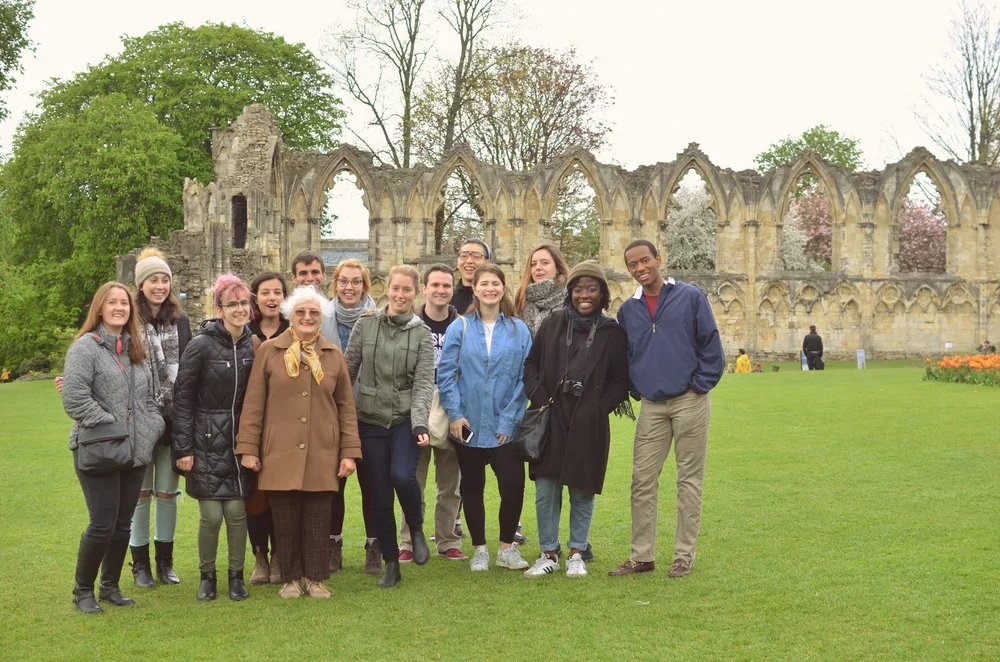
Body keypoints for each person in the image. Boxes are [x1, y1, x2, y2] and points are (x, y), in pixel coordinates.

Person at [57, 248, 191, 587]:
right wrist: (122, 426)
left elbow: (176, 378)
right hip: (115, 435)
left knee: (155, 501)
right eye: (152, 280)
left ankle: (148, 570)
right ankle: (129, 570)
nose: (160, 286)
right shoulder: (104, 338)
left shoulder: (163, 332)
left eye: (165, 280)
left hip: (160, 426)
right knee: (123, 509)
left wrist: (157, 424)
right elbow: (80, 391)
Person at [236, 286, 362, 600]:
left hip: (322, 450)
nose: (307, 317)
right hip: (280, 451)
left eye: (314, 313)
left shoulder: (333, 355)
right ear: (291, 315)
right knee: (285, 519)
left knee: (319, 518)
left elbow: (346, 407)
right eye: (301, 312)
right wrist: (248, 449)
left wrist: (349, 453)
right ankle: (290, 580)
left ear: (322, 318)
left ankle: (316, 579)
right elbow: (253, 403)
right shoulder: (269, 351)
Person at [609, 240, 725, 579]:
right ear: (629, 269)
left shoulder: (689, 297)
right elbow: (628, 355)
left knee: (688, 479)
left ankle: (683, 556)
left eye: (646, 260)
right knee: (642, 479)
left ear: (659, 260)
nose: (641, 268)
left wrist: (697, 385)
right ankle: (641, 556)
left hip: (689, 399)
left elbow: (711, 344)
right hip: (652, 405)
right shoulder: (628, 310)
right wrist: (637, 389)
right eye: (633, 264)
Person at [522, 261, 632, 579]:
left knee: (582, 488)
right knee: (546, 488)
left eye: (592, 289)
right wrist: (541, 397)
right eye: (578, 289)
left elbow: (619, 381)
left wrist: (598, 408)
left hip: (588, 421)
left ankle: (576, 553)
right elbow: (531, 366)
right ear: (570, 293)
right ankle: (548, 553)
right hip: (552, 414)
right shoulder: (554, 323)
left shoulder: (611, 332)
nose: (584, 295)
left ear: (602, 294)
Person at [62, 282, 165, 613]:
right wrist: (115, 427)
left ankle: (110, 586)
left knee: (123, 524)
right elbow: (75, 399)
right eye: (112, 302)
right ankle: (83, 591)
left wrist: (150, 429)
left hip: (134, 453)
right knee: (102, 523)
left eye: (124, 302)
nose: (120, 307)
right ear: (100, 308)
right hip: (97, 449)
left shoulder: (135, 350)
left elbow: (149, 400)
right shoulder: (85, 348)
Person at [344, 265, 436, 588]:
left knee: (402, 475)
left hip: (404, 420)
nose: (399, 295)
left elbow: (425, 382)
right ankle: (391, 562)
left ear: (416, 293)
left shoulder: (422, 334)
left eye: (406, 290)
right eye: (395, 289)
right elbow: (346, 371)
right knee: (379, 494)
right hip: (369, 420)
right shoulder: (366, 324)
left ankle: (417, 527)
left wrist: (420, 422)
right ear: (388, 290)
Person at [438, 263, 533, 573]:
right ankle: (479, 549)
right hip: (468, 423)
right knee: (472, 487)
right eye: (484, 284)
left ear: (503, 288)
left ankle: (507, 548)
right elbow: (447, 373)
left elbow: (525, 377)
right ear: (474, 289)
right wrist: (455, 414)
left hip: (506, 426)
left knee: (512, 484)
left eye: (496, 283)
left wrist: (509, 420)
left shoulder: (518, 330)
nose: (490, 288)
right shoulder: (460, 327)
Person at [173, 275, 256, 602]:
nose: (239, 309)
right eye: (232, 304)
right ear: (219, 309)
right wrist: (183, 448)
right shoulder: (201, 345)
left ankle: (236, 577)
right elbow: (183, 398)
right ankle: (207, 576)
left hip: (239, 443)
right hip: (204, 441)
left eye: (243, 303)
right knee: (210, 516)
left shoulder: (253, 345)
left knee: (236, 513)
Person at [399, 264, 466, 562]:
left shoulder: (463, 326)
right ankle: (407, 542)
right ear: (424, 288)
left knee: (450, 484)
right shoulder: (409, 324)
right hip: (416, 408)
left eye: (446, 286)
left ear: (453, 290)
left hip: (452, 408)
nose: (441, 291)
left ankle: (447, 540)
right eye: (435, 285)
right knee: (413, 480)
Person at [323, 258, 379, 575]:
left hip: (369, 413)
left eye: (356, 281)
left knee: (372, 485)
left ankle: (374, 547)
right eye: (344, 281)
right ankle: (333, 546)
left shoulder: (379, 319)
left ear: (365, 285)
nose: (349, 287)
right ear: (336, 284)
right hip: (331, 414)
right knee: (334, 485)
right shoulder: (320, 317)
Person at [244, 271, 289, 585]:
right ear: (255, 298)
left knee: (282, 494)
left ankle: (279, 557)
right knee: (255, 494)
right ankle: (259, 555)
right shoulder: (243, 330)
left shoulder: (296, 330)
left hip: (287, 424)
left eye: (277, 292)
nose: (272, 298)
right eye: (265, 293)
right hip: (253, 420)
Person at [513, 244, 571, 336]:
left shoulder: (571, 298)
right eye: (533, 264)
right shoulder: (522, 299)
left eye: (545, 263)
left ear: (557, 268)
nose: (538, 268)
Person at [452, 239, 491, 314]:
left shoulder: (496, 300)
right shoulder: (448, 301)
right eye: (463, 256)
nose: (469, 261)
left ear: (487, 263)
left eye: (476, 256)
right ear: (457, 262)